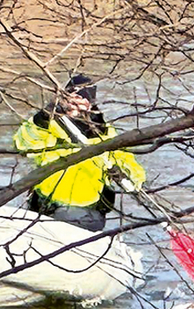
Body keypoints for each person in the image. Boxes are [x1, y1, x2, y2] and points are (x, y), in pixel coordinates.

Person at [14, 75, 146, 233]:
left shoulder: (105, 133)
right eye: (72, 98)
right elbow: (25, 143)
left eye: (81, 99)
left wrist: (125, 174)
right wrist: (41, 119)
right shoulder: (46, 126)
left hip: (88, 213)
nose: (75, 104)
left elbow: (131, 166)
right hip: (48, 209)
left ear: (89, 104)